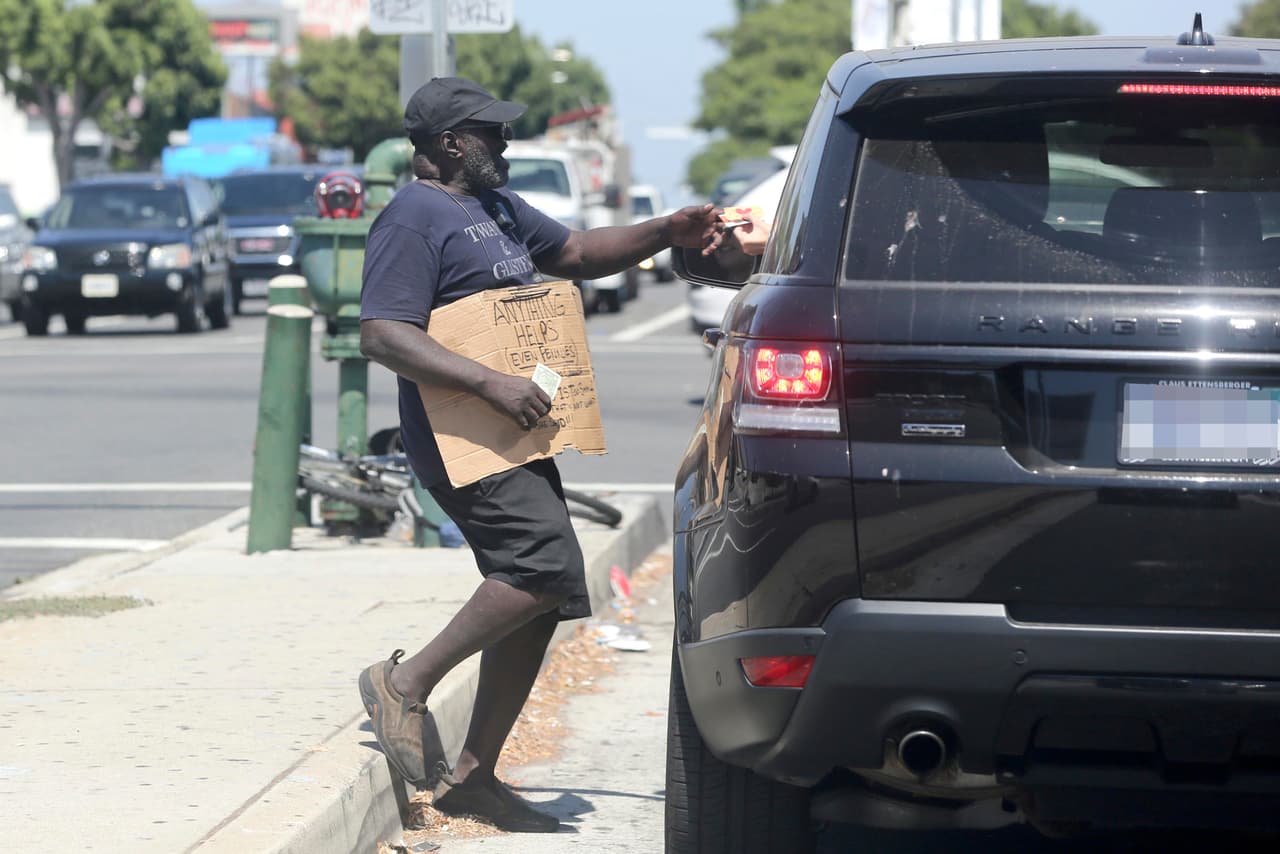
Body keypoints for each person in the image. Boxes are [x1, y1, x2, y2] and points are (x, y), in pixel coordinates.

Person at [357, 77, 723, 834]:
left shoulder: (492, 207)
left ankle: (474, 777)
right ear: (451, 142)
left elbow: (580, 251)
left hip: (515, 428)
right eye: (492, 131)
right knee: (544, 568)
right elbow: (383, 332)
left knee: (544, 590)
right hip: (462, 436)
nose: (507, 142)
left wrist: (667, 231)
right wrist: (490, 382)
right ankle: (404, 681)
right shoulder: (413, 216)